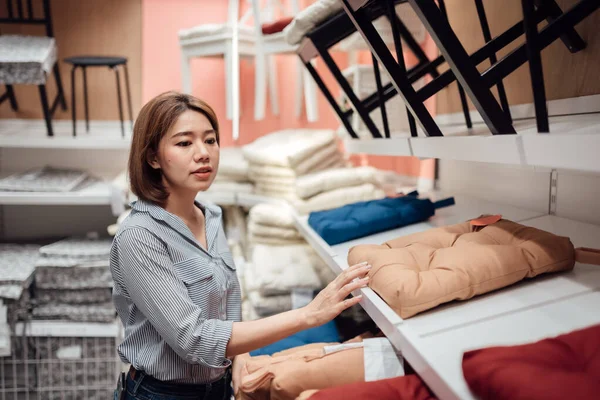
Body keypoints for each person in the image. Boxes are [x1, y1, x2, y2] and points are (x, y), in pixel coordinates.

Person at [110, 91, 371, 400]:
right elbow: (193, 338)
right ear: (152, 157)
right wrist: (308, 314)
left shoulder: (210, 216)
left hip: (219, 389)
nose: (203, 153)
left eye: (210, 140)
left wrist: (240, 357)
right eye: (184, 143)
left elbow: (226, 305)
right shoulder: (139, 237)